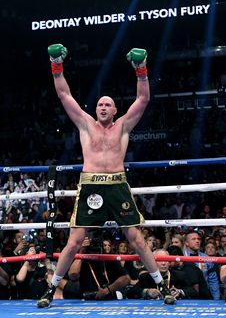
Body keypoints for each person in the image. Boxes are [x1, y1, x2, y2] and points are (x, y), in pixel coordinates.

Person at [37, 44, 175, 307]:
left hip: (117, 185)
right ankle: (49, 289)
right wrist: (56, 65)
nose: (102, 107)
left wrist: (141, 70)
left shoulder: (122, 126)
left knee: (135, 239)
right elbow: (64, 94)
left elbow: (143, 100)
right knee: (75, 241)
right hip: (90, 187)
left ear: (114, 111)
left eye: (107, 105)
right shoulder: (85, 124)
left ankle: (162, 286)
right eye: (100, 103)